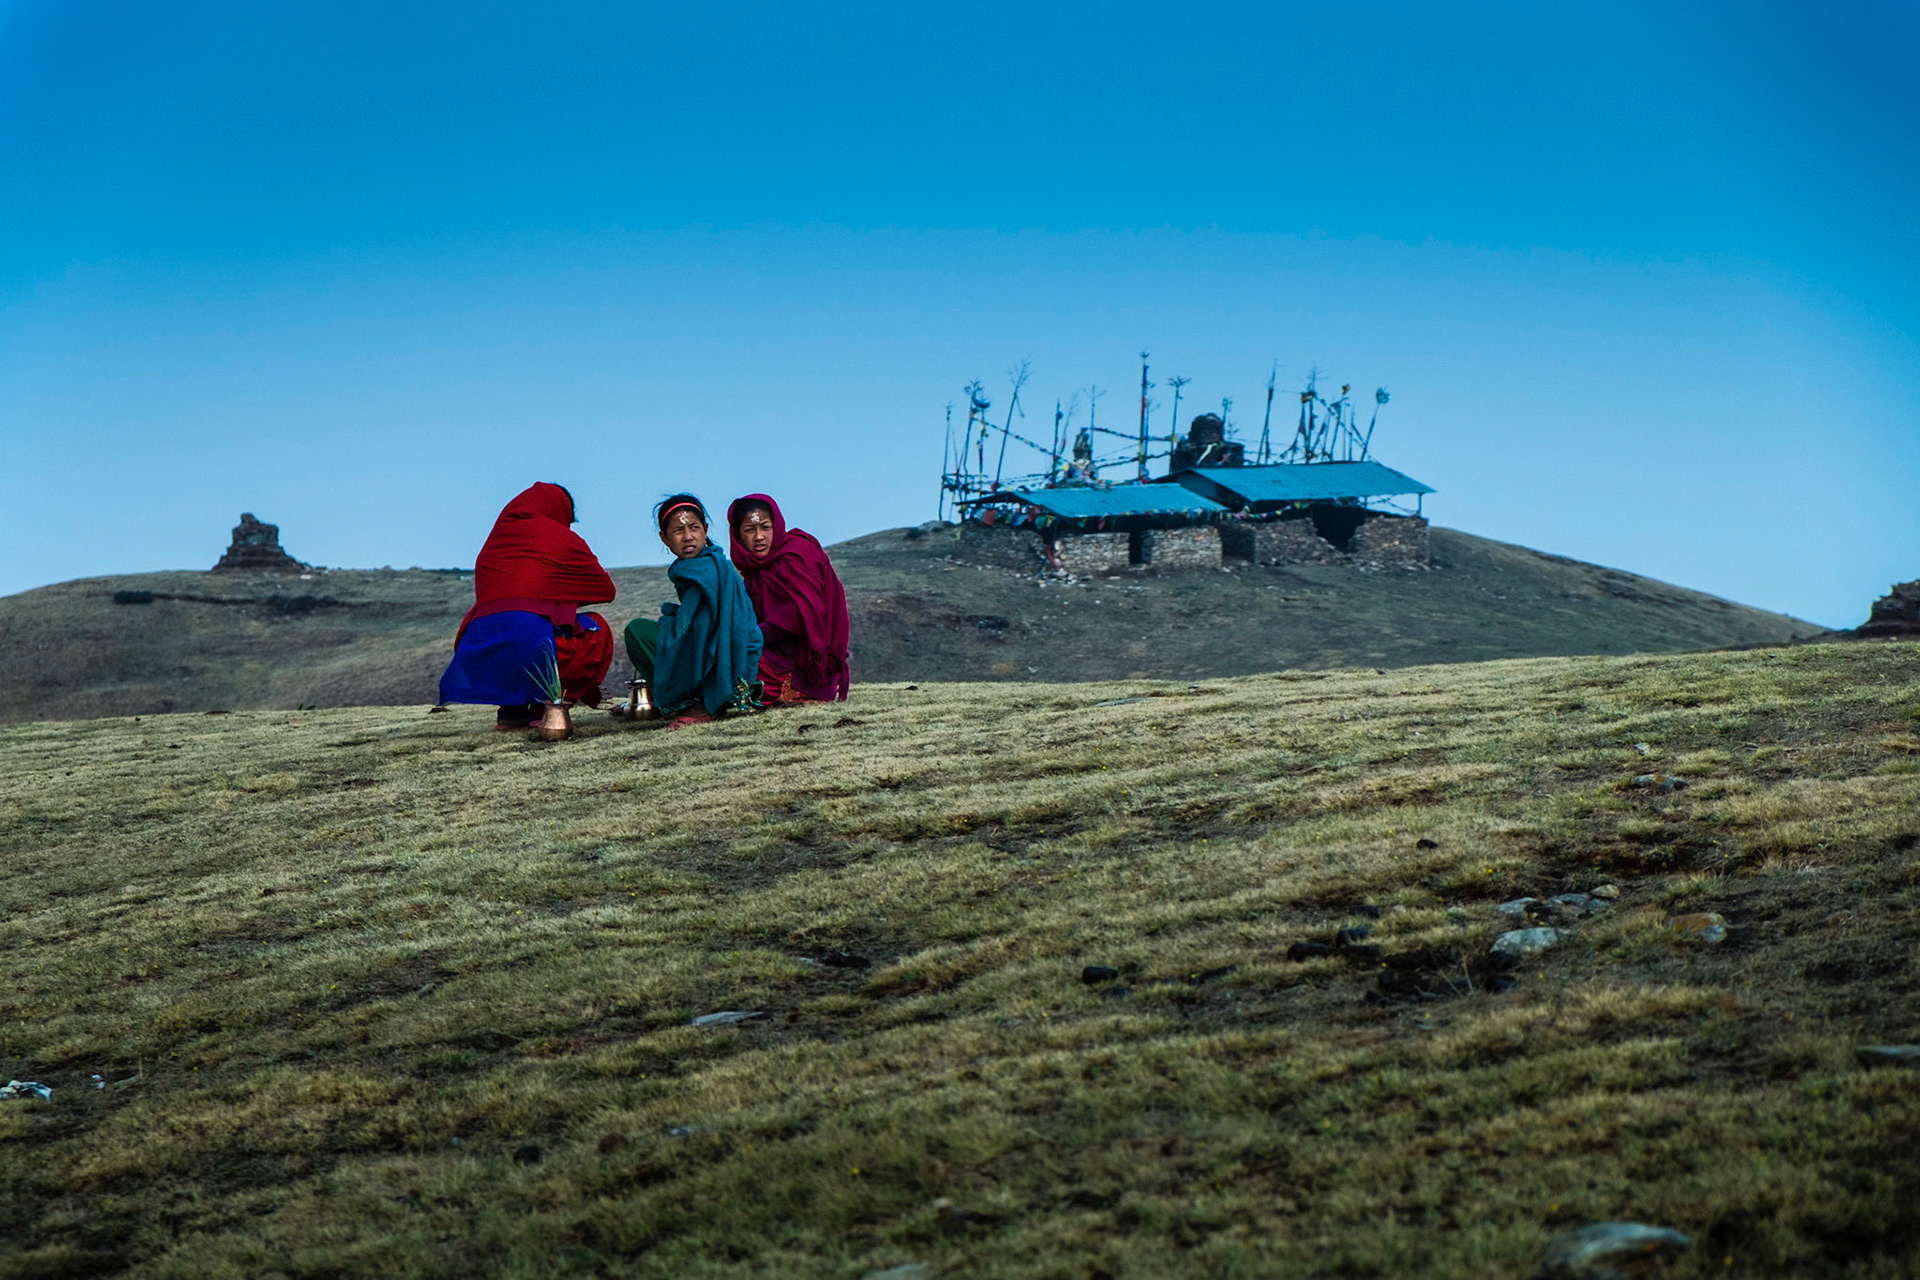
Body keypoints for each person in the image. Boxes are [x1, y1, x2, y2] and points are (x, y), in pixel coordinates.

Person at [438, 482, 616, 741]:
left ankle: (511, 711)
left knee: (516, 628)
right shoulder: (562, 538)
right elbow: (605, 590)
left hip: (479, 649)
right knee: (594, 627)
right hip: (532, 644)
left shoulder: (493, 543)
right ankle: (543, 706)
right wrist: (556, 600)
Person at [623, 494, 763, 727]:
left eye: (694, 528)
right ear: (664, 538)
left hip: (718, 652)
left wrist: (672, 625)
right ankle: (681, 699)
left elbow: (700, 630)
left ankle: (696, 705)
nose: (688, 537)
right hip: (708, 645)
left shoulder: (708, 570)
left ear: (705, 530)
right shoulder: (693, 568)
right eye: (678, 530)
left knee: (637, 632)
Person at [727, 494, 851, 705]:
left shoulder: (795, 554)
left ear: (777, 525)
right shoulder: (754, 571)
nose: (759, 537)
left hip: (808, 664)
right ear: (737, 536)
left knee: (732, 670)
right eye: (749, 530)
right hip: (778, 652)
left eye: (765, 527)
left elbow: (798, 616)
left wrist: (747, 638)